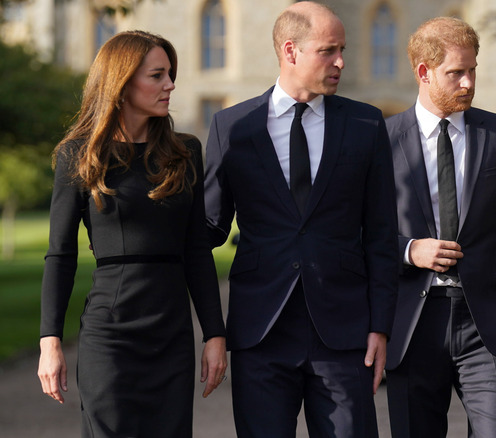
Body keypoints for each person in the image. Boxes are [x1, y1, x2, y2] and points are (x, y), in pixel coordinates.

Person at [203, 2, 398, 437]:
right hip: (260, 332)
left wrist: (381, 326)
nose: (341, 61)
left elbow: (382, 236)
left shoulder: (366, 124)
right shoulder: (232, 127)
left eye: (342, 49)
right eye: (328, 50)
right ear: (290, 51)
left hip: (344, 335)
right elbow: (209, 228)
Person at [384, 17, 496, 437]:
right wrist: (410, 249)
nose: (468, 83)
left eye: (472, 71)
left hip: (487, 325)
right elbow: (357, 230)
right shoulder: (382, 139)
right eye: (455, 73)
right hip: (412, 322)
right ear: (423, 72)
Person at [37, 30, 227, 437]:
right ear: (122, 85)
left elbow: (197, 251)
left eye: (170, 74)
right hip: (110, 336)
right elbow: (60, 254)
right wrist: (49, 340)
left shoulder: (186, 152)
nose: (170, 85)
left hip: (172, 334)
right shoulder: (79, 154)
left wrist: (214, 335)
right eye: (157, 75)